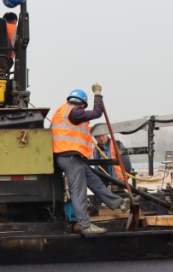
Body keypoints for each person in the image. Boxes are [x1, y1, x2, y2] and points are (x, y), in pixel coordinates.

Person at [50, 85, 126, 235]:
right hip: (70, 157)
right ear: (82, 103)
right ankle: (85, 226)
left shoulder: (61, 111)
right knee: (79, 192)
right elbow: (97, 112)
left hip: (68, 157)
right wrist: (98, 95)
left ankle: (119, 203)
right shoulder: (75, 112)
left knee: (94, 181)